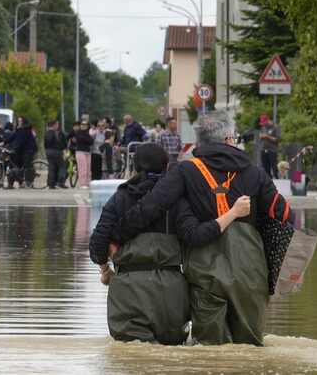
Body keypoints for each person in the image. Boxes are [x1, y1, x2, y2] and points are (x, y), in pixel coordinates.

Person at [117, 112, 294, 346]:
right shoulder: (255, 174)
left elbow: (150, 207)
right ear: (230, 139)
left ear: (199, 141)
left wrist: (117, 234)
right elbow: (284, 215)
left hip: (204, 273)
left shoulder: (184, 171)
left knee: (209, 350)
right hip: (249, 273)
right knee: (250, 350)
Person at [89, 143, 251, 345]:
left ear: (135, 166)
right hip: (171, 292)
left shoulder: (119, 198)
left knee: (130, 358)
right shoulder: (177, 201)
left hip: (127, 288)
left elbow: (97, 244)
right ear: (167, 167)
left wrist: (106, 271)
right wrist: (234, 213)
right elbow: (197, 236)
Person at [3, 117, 37, 188]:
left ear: (24, 121)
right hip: (21, 149)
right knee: (17, 166)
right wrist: (3, 142)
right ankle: (15, 183)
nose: (19, 122)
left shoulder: (25, 129)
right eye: (18, 121)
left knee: (27, 165)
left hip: (28, 149)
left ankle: (29, 183)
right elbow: (12, 136)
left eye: (20, 120)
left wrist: (14, 149)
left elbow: (21, 141)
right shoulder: (18, 129)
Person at [44, 120, 68, 189]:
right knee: (62, 166)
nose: (58, 126)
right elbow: (60, 143)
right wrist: (63, 149)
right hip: (56, 151)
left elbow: (45, 144)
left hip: (48, 151)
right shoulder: (56, 133)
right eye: (57, 124)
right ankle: (60, 181)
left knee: (51, 168)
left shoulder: (47, 133)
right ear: (54, 125)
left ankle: (50, 183)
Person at [258, 114, 282, 179]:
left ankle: (277, 180)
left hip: (272, 151)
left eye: (264, 123)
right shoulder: (263, 128)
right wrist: (261, 137)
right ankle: (268, 181)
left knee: (274, 168)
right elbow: (261, 137)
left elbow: (278, 139)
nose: (263, 125)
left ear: (268, 121)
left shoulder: (275, 127)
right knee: (265, 168)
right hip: (263, 150)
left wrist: (268, 136)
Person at [74, 119, 93, 189]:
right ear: (80, 125)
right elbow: (81, 139)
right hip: (80, 152)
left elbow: (91, 141)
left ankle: (86, 183)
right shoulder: (78, 132)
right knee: (83, 168)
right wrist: (87, 140)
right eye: (83, 124)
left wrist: (87, 140)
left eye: (86, 124)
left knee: (88, 168)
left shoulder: (88, 133)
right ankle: (82, 184)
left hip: (88, 152)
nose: (85, 126)